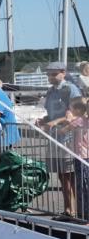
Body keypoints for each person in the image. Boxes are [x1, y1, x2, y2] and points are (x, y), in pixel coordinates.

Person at [38, 61, 83, 218]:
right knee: (61, 175)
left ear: (63, 72)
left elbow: (77, 114)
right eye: (48, 73)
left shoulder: (70, 89)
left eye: (53, 73)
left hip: (67, 138)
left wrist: (54, 122)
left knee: (69, 175)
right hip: (54, 137)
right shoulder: (51, 91)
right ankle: (68, 210)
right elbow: (51, 114)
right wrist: (43, 120)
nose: (50, 76)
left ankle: (74, 211)